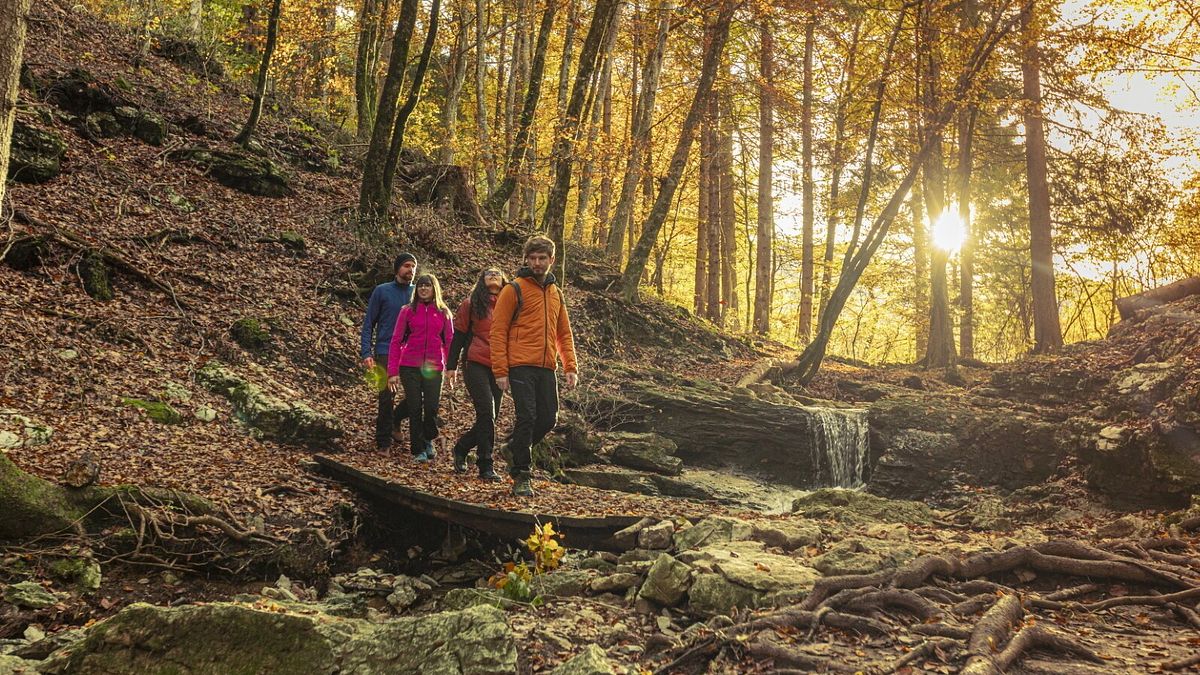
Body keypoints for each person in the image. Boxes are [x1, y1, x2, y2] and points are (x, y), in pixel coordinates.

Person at [490, 236, 579, 497]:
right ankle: (522, 474)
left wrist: (570, 366)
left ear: (552, 260)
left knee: (549, 418)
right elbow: (498, 331)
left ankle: (516, 448)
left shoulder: (555, 293)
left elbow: (564, 332)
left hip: (546, 366)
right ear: (526, 260)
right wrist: (501, 370)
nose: (537, 263)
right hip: (519, 365)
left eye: (542, 258)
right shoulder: (513, 289)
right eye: (533, 258)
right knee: (526, 416)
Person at [446, 268, 508, 482]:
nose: (493, 275)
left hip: (500, 366)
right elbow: (459, 335)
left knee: (491, 416)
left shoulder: (510, 304)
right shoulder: (471, 303)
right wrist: (451, 366)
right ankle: (485, 464)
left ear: (504, 281)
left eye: (497, 274)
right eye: (488, 274)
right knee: (486, 412)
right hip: (475, 362)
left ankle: (462, 447)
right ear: (482, 280)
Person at [387, 274, 454, 462]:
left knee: (431, 408)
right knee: (415, 407)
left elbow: (449, 341)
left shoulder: (443, 312)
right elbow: (396, 340)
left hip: (434, 367)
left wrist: (451, 368)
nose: (423, 289)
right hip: (409, 366)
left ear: (435, 289)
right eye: (420, 286)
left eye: (428, 286)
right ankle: (418, 450)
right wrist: (392, 372)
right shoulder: (407, 311)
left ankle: (428, 439)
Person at [360, 253, 417, 450]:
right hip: (385, 350)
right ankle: (383, 441)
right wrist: (366, 353)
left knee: (417, 396)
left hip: (411, 352)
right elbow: (369, 324)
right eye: (406, 266)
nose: (410, 269)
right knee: (386, 397)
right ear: (397, 269)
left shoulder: (419, 293)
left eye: (413, 266)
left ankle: (396, 420)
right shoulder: (382, 291)